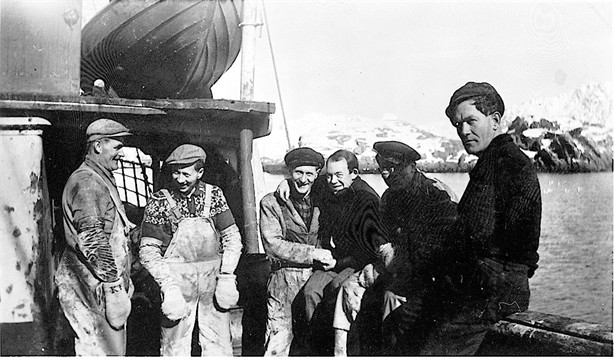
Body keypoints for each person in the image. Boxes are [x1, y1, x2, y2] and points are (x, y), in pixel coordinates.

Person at [384, 81, 541, 355]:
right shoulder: (496, 160)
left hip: (493, 289)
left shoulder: (502, 163)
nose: (464, 131)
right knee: (402, 319)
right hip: (489, 284)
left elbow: (473, 237)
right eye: (458, 125)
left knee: (427, 346)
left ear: (494, 120)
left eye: (471, 121)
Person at [333, 141, 458, 356]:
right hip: (398, 266)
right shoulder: (390, 197)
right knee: (349, 288)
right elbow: (384, 238)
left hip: (431, 274)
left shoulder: (436, 194)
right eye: (383, 169)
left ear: (412, 166)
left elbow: (445, 246)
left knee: (392, 299)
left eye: (395, 168)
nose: (388, 175)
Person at [139, 144, 242, 356]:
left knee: (219, 345)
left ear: (200, 172)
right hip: (177, 283)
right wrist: (168, 286)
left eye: (186, 174)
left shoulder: (214, 195)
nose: (180, 179)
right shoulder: (159, 201)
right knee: (174, 347)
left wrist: (227, 276)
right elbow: (148, 250)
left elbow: (232, 237)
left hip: (212, 283)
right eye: (175, 173)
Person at [55, 118, 135, 356]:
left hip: (98, 286)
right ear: (98, 146)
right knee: (101, 352)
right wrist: (113, 286)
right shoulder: (87, 182)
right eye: (117, 147)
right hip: (91, 286)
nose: (121, 153)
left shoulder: (99, 178)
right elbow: (93, 239)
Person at [296, 149, 387, 356]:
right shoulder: (329, 186)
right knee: (311, 291)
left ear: (354, 173)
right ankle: (317, 348)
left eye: (339, 175)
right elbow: (310, 182)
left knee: (337, 290)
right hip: (335, 259)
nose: (332, 181)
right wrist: (285, 183)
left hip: (358, 262)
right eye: (329, 176)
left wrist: (336, 264)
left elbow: (369, 250)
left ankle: (341, 347)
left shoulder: (366, 200)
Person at [259, 147, 334, 356]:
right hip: (283, 281)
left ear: (317, 174)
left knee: (312, 341)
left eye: (309, 173)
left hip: (315, 280)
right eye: (298, 172)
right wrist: (313, 253)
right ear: (289, 171)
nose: (303, 179)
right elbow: (273, 243)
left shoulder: (323, 198)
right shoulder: (271, 202)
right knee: (278, 340)